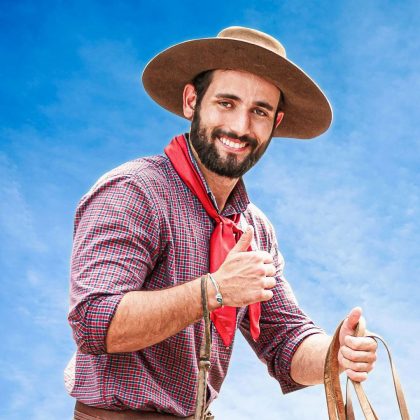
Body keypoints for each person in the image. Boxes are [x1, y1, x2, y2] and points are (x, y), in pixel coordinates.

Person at [65, 27, 377, 419]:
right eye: (226, 103)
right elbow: (95, 322)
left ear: (275, 123)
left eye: (259, 112)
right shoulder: (134, 192)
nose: (241, 127)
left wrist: (336, 352)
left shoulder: (255, 229)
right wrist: (214, 290)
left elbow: (285, 343)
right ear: (191, 101)